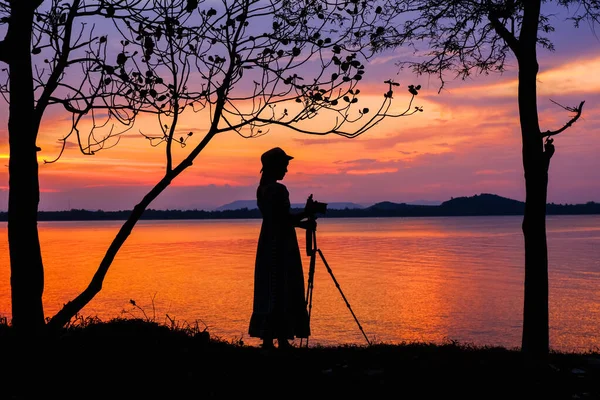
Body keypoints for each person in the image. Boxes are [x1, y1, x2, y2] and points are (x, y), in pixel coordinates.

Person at [248, 147, 314, 349]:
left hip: (268, 239)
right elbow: (284, 219)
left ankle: (269, 338)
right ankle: (283, 339)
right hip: (282, 243)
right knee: (285, 284)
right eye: (284, 166)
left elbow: (277, 219)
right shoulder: (277, 190)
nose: (286, 170)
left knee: (270, 285)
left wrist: (301, 221)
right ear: (274, 166)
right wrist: (306, 213)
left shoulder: (262, 189)